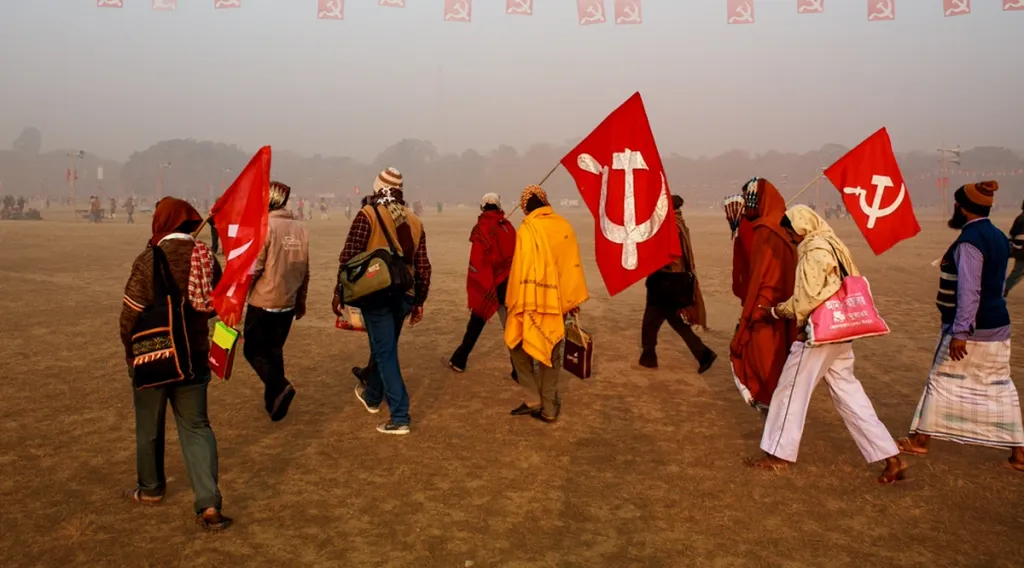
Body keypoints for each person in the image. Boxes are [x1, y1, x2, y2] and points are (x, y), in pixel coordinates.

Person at [748, 205, 908, 484]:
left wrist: (775, 312)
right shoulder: (834, 243)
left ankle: (777, 456)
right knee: (851, 397)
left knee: (790, 392)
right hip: (842, 332)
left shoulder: (813, 251)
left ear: (800, 228)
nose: (789, 238)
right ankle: (891, 457)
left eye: (790, 232)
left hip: (819, 334)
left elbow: (806, 299)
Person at [119, 197, 231, 530]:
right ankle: (209, 504)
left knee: (148, 425)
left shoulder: (149, 259)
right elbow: (217, 304)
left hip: (154, 355)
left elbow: (130, 315)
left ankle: (151, 489)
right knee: (197, 427)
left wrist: (131, 351)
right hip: (195, 356)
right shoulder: (206, 258)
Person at [898, 182, 1024, 470]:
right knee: (1000, 386)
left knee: (939, 380)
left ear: (961, 207)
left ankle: (920, 441)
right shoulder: (996, 236)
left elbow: (970, 290)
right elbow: (997, 284)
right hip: (997, 325)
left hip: (973, 330)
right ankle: (1019, 453)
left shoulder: (970, 241)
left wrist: (961, 332)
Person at [333, 167, 431, 435]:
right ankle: (373, 396)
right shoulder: (413, 220)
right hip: (405, 296)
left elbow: (348, 257)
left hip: (376, 295)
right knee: (382, 348)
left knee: (385, 353)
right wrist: (419, 301)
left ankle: (400, 416)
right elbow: (423, 267)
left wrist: (338, 292)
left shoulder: (368, 214)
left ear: (377, 189)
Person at [505, 185, 589, 423]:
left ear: (524, 207)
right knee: (550, 354)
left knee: (518, 349)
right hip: (557, 304)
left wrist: (515, 300)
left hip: (528, 301)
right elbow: (571, 266)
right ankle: (548, 407)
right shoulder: (563, 226)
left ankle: (533, 397)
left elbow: (519, 269)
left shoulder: (527, 228)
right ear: (545, 200)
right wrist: (571, 300)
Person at [242, 181, 310, 422]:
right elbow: (305, 269)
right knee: (274, 351)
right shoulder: (300, 228)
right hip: (288, 302)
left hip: (264, 301)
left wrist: (238, 293)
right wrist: (300, 301)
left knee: (252, 350)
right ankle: (275, 404)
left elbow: (255, 266)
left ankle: (280, 386)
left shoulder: (266, 227)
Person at [729, 178, 797, 415]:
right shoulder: (785, 228)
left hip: (766, 308)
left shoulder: (766, 231)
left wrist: (749, 315)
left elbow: (757, 277)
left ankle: (775, 409)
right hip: (787, 306)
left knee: (764, 361)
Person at [640, 195, 716, 373]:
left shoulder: (671, 227)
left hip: (666, 282)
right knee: (673, 322)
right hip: (672, 282)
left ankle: (649, 357)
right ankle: (702, 354)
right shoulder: (679, 223)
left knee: (651, 322)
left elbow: (669, 256)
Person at [447, 193, 518, 378]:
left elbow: (478, 260)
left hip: (487, 285)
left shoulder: (482, 229)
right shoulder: (507, 227)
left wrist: (483, 283)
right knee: (510, 327)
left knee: (475, 325)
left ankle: (459, 360)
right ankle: (519, 370)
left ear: (482, 207)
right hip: (506, 284)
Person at [1005, 198, 1024, 296]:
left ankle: (1004, 288)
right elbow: (1019, 237)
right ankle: (1004, 289)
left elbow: (1012, 233)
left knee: (1018, 272)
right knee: (1018, 272)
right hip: (1022, 250)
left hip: (1019, 248)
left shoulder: (1020, 217)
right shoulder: (1022, 218)